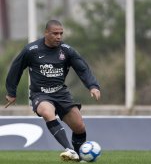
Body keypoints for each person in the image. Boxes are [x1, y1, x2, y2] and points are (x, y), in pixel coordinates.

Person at [5, 20, 101, 161]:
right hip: (40, 94)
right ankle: (69, 149)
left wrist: (92, 86)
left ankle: (79, 158)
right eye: (55, 33)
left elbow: (82, 68)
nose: (59, 37)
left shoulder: (67, 50)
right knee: (46, 111)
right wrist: (11, 92)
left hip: (61, 93)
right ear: (46, 33)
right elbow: (16, 68)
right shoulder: (31, 50)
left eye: (61, 33)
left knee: (79, 127)